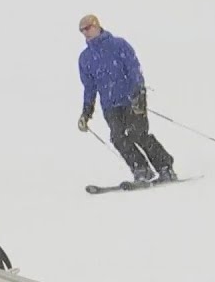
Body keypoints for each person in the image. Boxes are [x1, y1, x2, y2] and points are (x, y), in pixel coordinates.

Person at [75, 14, 177, 184]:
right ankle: (141, 169)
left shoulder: (118, 45)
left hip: (131, 99)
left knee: (138, 134)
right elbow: (89, 87)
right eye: (82, 30)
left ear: (97, 25)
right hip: (110, 106)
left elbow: (133, 69)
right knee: (118, 138)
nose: (85, 32)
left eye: (88, 27)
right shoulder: (85, 58)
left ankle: (165, 167)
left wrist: (139, 93)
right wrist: (86, 112)